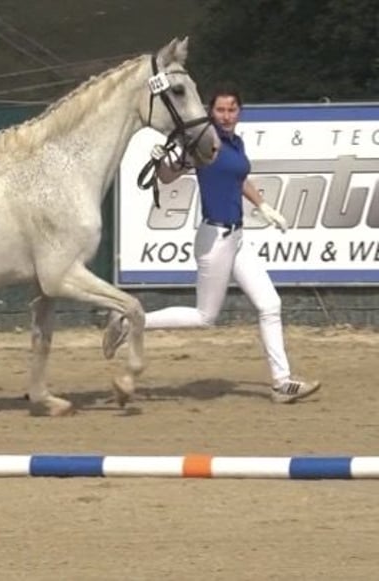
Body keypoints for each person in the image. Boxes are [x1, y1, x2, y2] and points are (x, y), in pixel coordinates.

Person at [112, 86, 321, 404]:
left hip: (237, 237)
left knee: (270, 304)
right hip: (215, 239)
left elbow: (239, 178)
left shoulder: (236, 143)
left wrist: (263, 206)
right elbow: (168, 176)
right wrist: (160, 163)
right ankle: (130, 321)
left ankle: (282, 383)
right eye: (220, 110)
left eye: (231, 110)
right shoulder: (203, 143)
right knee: (204, 317)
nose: (226, 116)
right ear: (210, 112)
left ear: (239, 112)